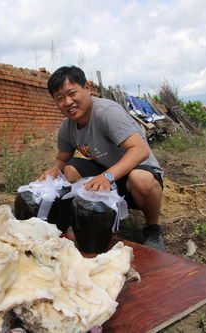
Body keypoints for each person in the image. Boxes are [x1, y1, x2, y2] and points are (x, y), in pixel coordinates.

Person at [39, 66, 166, 250]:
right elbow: (62, 159)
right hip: (109, 178)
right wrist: (52, 170)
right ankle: (98, 217)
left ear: (87, 88)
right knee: (70, 169)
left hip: (137, 173)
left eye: (72, 93)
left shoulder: (107, 112)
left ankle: (153, 229)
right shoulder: (67, 127)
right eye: (60, 98)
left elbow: (140, 150)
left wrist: (107, 176)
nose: (68, 102)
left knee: (141, 179)